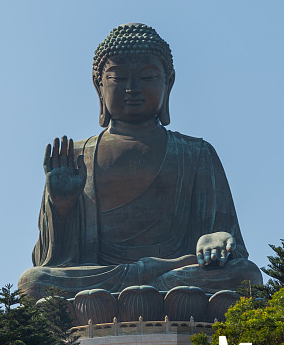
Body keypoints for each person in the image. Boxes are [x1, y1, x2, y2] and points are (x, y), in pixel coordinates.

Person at [18, 24, 262, 306]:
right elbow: (49, 260)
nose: (132, 88)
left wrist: (216, 240)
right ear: (99, 85)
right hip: (102, 279)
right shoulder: (74, 156)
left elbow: (227, 241)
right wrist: (61, 206)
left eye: (147, 77)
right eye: (119, 78)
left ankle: (142, 296)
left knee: (245, 277)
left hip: (175, 273)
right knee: (33, 282)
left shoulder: (197, 153)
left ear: (168, 83)